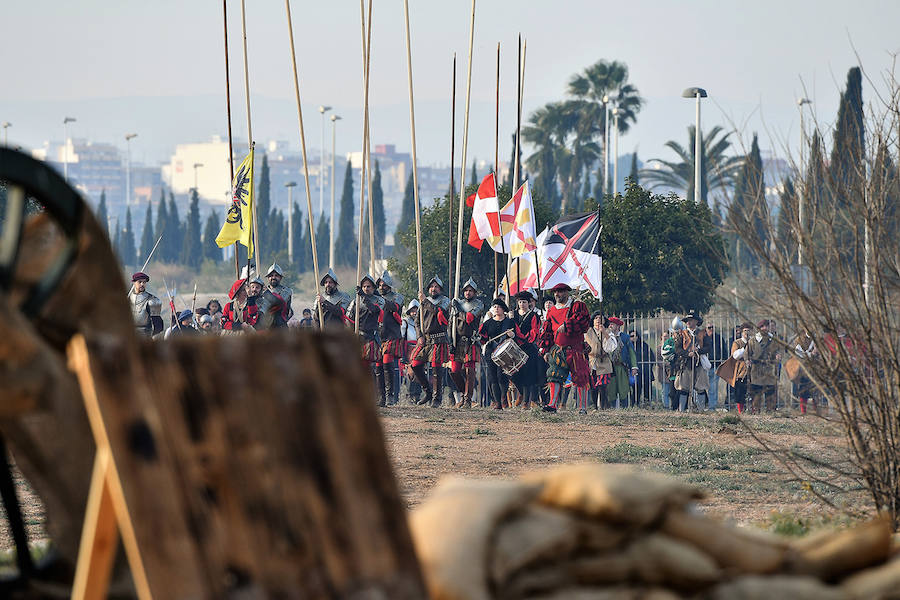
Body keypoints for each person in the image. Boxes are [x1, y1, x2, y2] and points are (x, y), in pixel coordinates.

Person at [539, 283, 591, 414]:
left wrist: (567, 325)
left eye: (560, 291)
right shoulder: (551, 311)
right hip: (558, 350)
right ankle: (552, 405)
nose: (557, 294)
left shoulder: (577, 306)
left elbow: (584, 323)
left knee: (580, 377)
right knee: (554, 375)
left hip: (575, 349)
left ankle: (582, 408)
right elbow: (548, 332)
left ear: (567, 292)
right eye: (555, 292)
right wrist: (545, 350)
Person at [409, 276, 452, 408]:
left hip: (439, 339)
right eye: (432, 287)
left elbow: (437, 312)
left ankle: (437, 398)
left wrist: (424, 301)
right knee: (415, 365)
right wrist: (419, 336)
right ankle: (427, 392)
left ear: (440, 289)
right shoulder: (424, 303)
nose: (434, 289)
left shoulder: (445, 301)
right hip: (425, 339)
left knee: (436, 370)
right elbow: (417, 322)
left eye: (436, 287)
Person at [347, 274, 386, 404]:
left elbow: (374, 310)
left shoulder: (379, 300)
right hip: (359, 337)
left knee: (371, 369)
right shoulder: (355, 301)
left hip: (371, 337)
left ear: (373, 288)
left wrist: (363, 297)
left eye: (368, 286)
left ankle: (378, 397)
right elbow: (349, 318)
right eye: (364, 286)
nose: (366, 288)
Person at [478, 298, 523, 410]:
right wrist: (481, 339)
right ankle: (497, 402)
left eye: (498, 307)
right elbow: (482, 338)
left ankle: (503, 399)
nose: (496, 308)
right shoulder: (487, 323)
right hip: (491, 353)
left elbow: (519, 336)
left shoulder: (510, 322)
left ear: (503, 309)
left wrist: (512, 335)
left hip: (506, 354)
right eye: (494, 307)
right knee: (493, 377)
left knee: (501, 377)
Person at [448, 278, 484, 409]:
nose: (468, 293)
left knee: (470, 371)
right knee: (454, 371)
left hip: (471, 341)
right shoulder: (458, 303)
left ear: (474, 292)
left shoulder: (478, 304)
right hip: (457, 341)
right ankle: (464, 394)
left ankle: (468, 400)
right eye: (466, 290)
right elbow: (451, 324)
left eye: (470, 291)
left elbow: (469, 319)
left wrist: (459, 310)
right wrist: (450, 341)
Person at [673, 310, 712, 411]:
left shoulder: (703, 334)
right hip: (685, 364)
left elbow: (708, 347)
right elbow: (677, 349)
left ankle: (701, 409)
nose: (688, 322)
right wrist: (687, 353)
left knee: (701, 387)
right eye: (687, 321)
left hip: (699, 364)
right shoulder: (682, 334)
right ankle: (682, 410)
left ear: (696, 321)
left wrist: (698, 350)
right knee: (683, 388)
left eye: (690, 320)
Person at [511, 290, 543, 409]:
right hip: (514, 347)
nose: (522, 304)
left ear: (529, 303)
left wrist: (522, 338)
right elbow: (510, 328)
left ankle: (526, 401)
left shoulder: (534, 316)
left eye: (524, 302)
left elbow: (535, 331)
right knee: (514, 374)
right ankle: (522, 393)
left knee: (528, 374)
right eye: (520, 302)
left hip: (528, 347)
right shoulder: (512, 314)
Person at [377, 271, 405, 406]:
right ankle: (381, 397)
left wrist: (378, 299)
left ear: (389, 285)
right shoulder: (375, 297)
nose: (382, 287)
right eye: (380, 284)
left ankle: (390, 396)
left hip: (392, 335)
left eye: (384, 284)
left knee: (387, 364)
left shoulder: (397, 296)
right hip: (378, 336)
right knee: (378, 367)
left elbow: (394, 307)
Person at [747, 319, 781, 413]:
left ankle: (770, 410)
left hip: (769, 369)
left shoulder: (773, 340)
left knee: (770, 391)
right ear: (759, 328)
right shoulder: (753, 341)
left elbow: (777, 351)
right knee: (757, 392)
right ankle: (756, 411)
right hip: (756, 370)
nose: (765, 328)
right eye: (762, 326)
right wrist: (748, 361)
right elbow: (748, 353)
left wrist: (777, 356)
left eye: (766, 326)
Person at [586, 312, 617, 410]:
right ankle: (595, 406)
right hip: (592, 361)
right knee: (593, 386)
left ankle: (603, 406)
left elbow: (611, 347)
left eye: (600, 318)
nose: (598, 320)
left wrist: (604, 333)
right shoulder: (587, 331)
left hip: (604, 361)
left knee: (602, 386)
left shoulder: (608, 331)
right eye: (596, 318)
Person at [607, 317, 638, 409]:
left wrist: (634, 367)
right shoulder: (606, 336)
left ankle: (624, 409)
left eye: (613, 324)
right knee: (611, 390)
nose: (610, 325)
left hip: (621, 367)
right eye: (610, 324)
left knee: (623, 389)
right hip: (609, 367)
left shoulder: (625, 337)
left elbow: (632, 353)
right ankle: (611, 409)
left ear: (618, 326)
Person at [727, 322, 753, 413]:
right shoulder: (737, 342)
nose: (747, 333)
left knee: (752, 392)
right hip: (741, 371)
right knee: (740, 393)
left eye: (749, 331)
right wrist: (745, 348)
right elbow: (734, 355)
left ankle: (752, 409)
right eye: (745, 331)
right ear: (742, 332)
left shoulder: (753, 342)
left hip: (752, 371)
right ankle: (740, 410)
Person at [128, 271, 163, 337]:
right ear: (134, 283)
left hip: (145, 335)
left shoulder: (152, 300)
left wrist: (154, 337)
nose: (142, 284)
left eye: (144, 282)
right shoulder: (127, 298)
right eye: (139, 282)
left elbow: (158, 324)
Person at [704, 323, 730, 411]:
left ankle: (712, 406)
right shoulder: (702, 337)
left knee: (713, 387)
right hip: (703, 365)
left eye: (712, 327)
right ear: (706, 329)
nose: (711, 329)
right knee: (700, 387)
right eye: (709, 327)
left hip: (715, 364)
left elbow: (724, 350)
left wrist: (723, 361)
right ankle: (700, 405)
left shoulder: (718, 338)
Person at [401, 299, 422, 404]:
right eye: (412, 310)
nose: (414, 313)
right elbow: (402, 336)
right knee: (410, 372)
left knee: (419, 372)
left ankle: (417, 395)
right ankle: (410, 395)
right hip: (409, 349)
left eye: (416, 310)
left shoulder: (423, 323)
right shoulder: (405, 322)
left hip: (420, 349)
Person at [629, 329, 655, 407]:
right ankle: (634, 405)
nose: (633, 338)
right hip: (635, 372)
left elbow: (652, 358)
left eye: (635, 336)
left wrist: (647, 367)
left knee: (647, 390)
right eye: (631, 336)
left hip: (646, 372)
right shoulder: (629, 346)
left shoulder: (644, 345)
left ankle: (647, 405)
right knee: (636, 390)